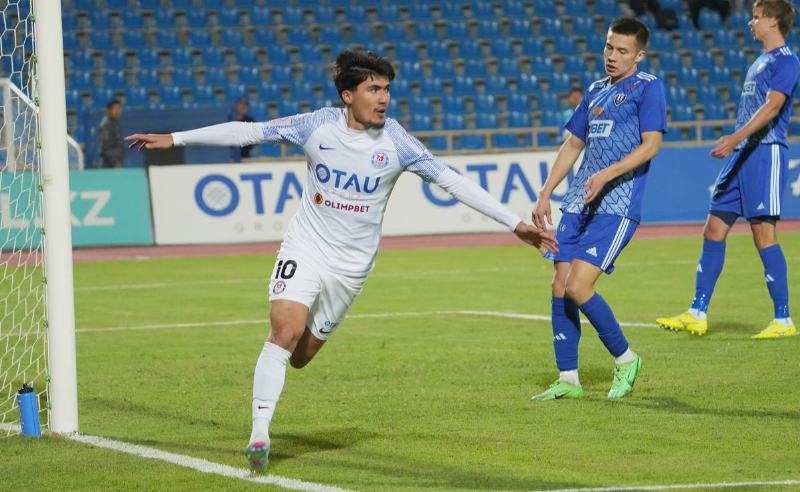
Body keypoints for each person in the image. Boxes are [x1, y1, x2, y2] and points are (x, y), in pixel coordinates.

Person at [125, 50, 558, 470]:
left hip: (351, 269)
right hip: (306, 247)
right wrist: (176, 138)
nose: (383, 98)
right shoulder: (316, 125)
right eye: (374, 89)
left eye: (386, 89)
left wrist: (514, 224)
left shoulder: (397, 141)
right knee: (284, 330)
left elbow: (454, 182)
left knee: (301, 356)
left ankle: (278, 384)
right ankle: (259, 434)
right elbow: (249, 132)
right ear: (348, 96)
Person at [530, 18, 667, 402]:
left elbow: (651, 145)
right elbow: (573, 144)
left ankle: (626, 359)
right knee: (559, 285)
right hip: (579, 201)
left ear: (639, 55)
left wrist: (607, 174)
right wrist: (546, 192)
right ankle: (568, 379)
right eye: (609, 47)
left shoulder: (648, 87)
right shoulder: (594, 91)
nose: (612, 56)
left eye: (622, 51)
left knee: (578, 287)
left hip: (616, 203)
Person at [657, 0, 799, 339]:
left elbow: (773, 107)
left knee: (763, 233)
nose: (751, 22)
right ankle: (697, 312)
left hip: (765, 153)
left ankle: (783, 320)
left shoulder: (787, 60)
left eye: (756, 17)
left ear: (773, 20)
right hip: (742, 155)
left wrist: (736, 137)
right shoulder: (760, 61)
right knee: (713, 228)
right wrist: (738, 143)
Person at [97, 99, 124, 169]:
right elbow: (106, 148)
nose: (117, 111)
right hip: (108, 165)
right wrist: (115, 163)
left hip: (115, 162)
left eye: (119, 108)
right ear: (108, 110)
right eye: (115, 109)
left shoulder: (115, 123)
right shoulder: (106, 125)